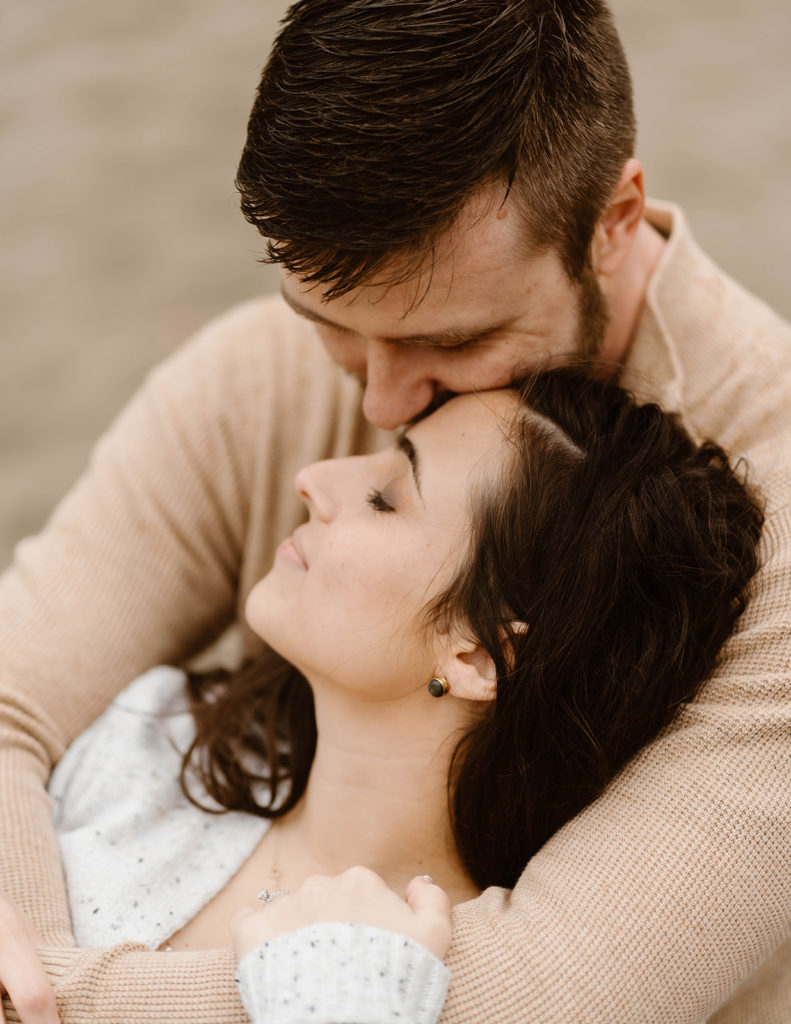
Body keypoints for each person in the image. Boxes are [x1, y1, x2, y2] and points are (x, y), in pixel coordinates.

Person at [1, 0, 790, 1021]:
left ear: (613, 221)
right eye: (326, 323)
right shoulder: (251, 379)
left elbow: (534, 1000)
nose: (373, 402)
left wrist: (39, 997)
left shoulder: (776, 519)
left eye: (454, 343)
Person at [32, 372, 765, 1024]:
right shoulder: (147, 741)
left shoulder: (480, 986)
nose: (315, 477)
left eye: (384, 499)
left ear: (478, 654)